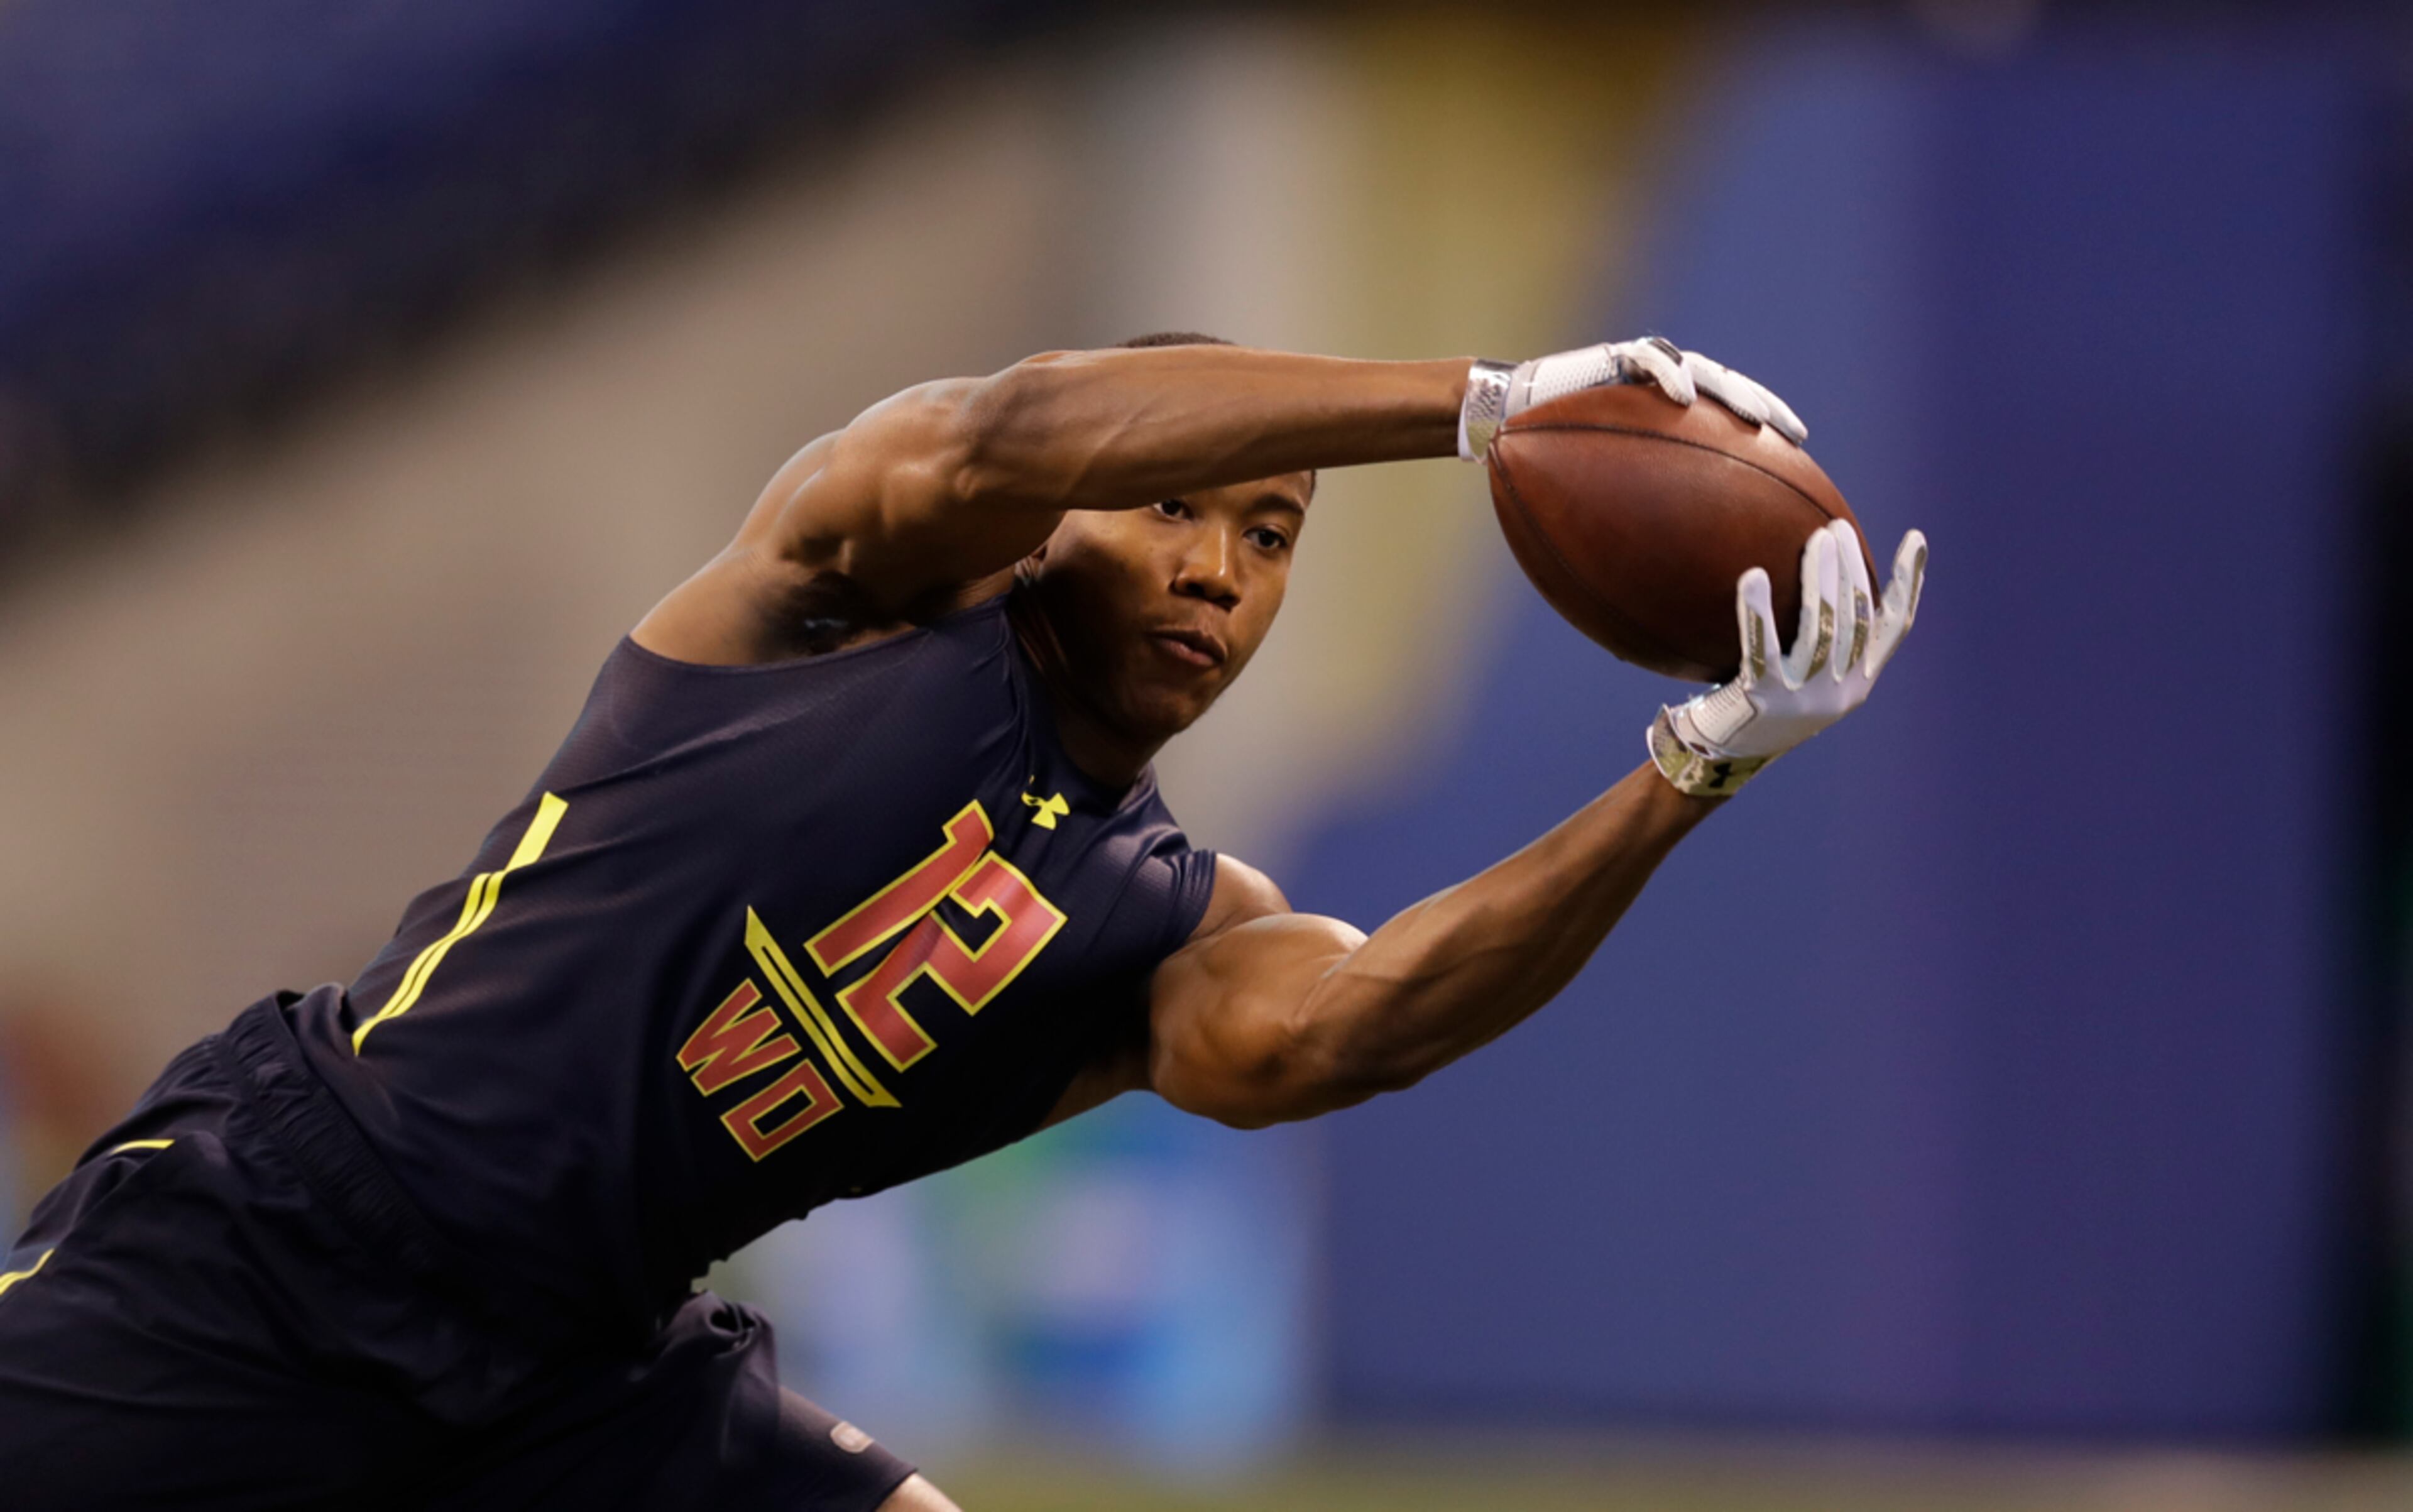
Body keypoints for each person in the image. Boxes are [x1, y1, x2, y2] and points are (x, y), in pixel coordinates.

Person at [0, 334, 1924, 1509]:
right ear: (1070, 515)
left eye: (1270, 536)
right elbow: (1008, 426)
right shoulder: (851, 603)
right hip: (301, 1232)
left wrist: (1694, 767)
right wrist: (1490, 402)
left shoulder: (1163, 916)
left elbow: (1348, 1028)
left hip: (583, 1374)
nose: (1218, 570)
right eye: (1175, 507)